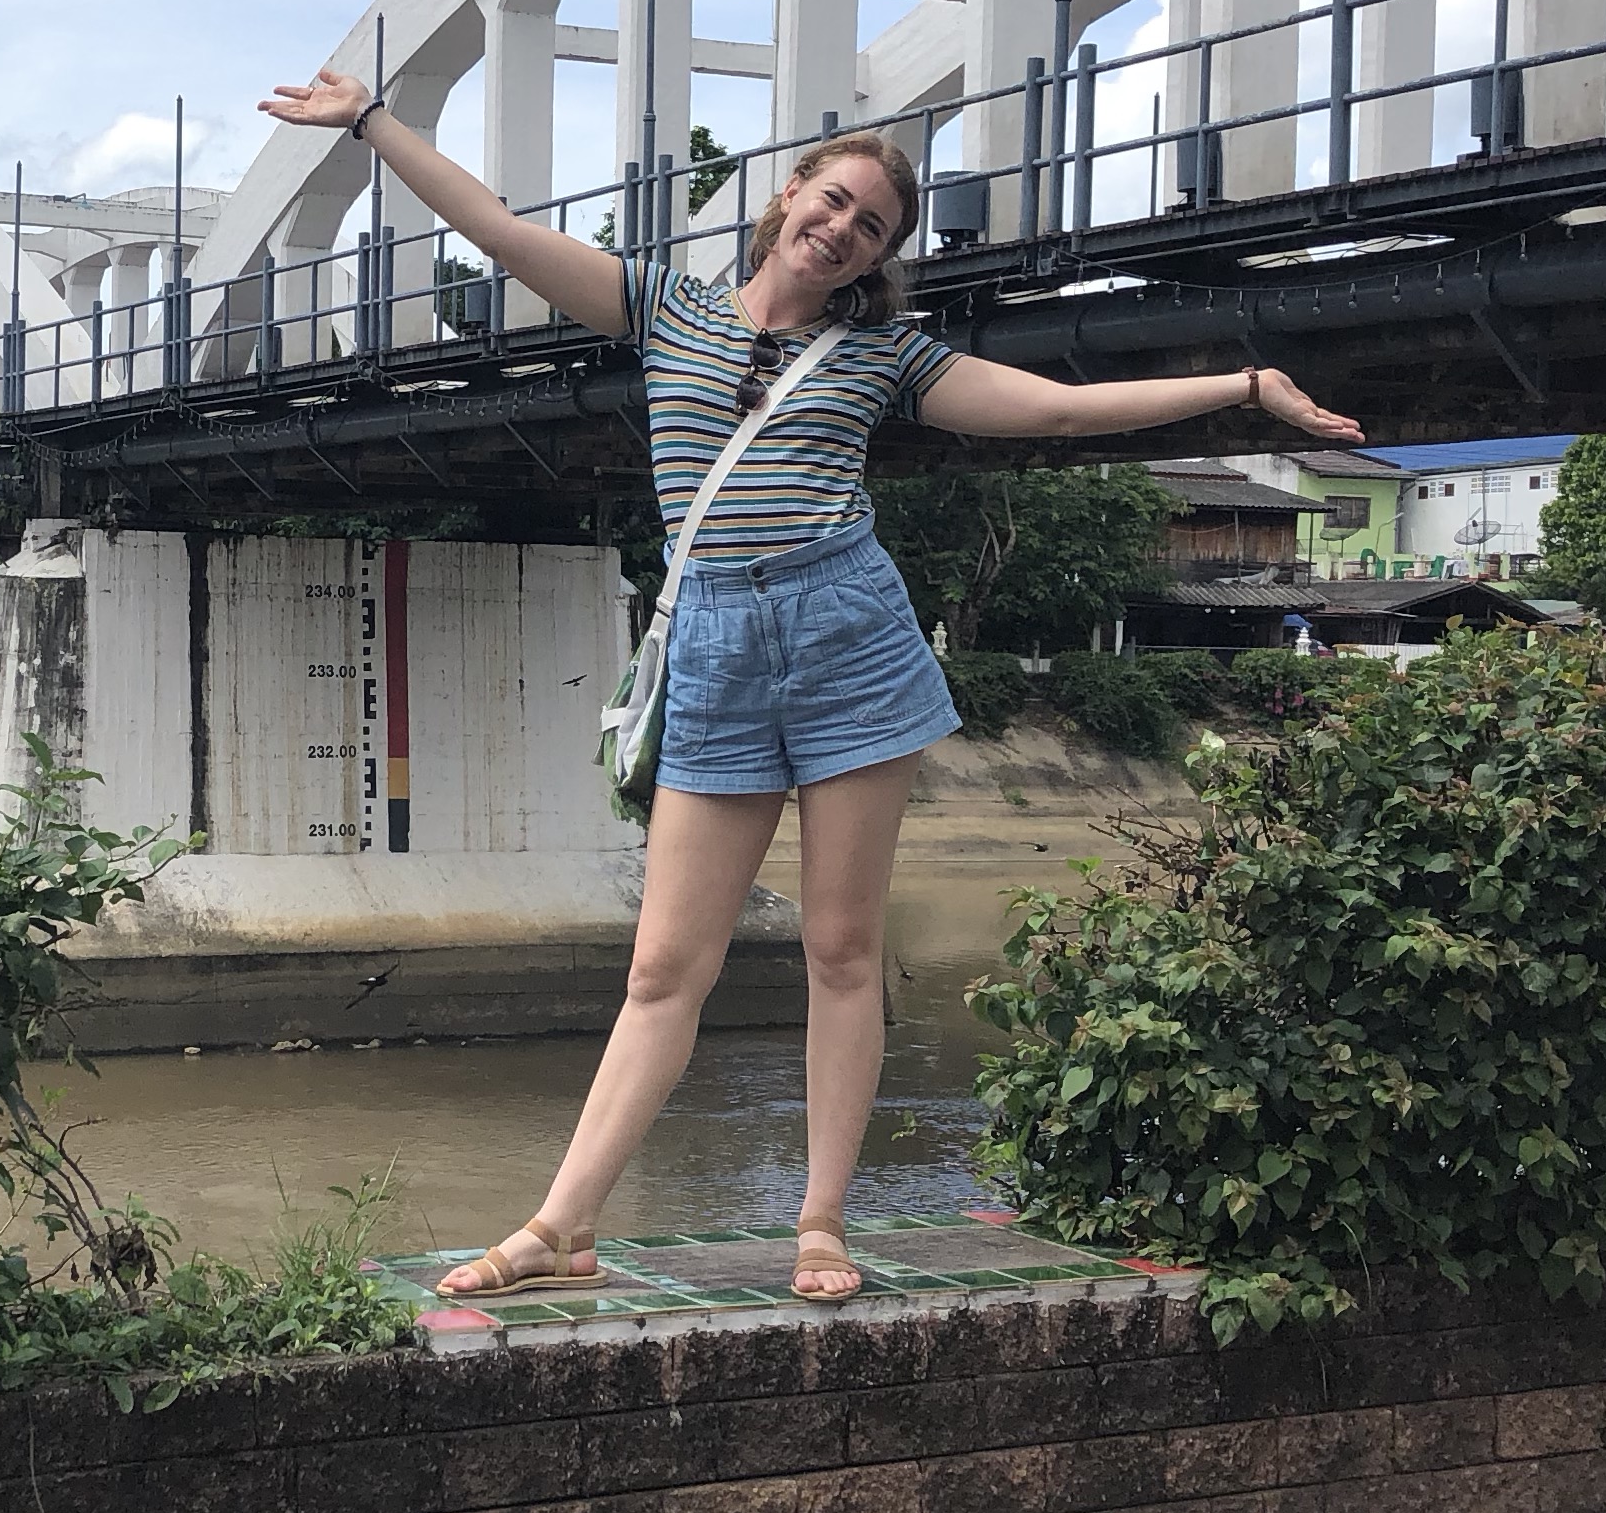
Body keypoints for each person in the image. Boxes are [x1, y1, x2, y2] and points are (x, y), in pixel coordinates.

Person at [257, 68, 1363, 1301]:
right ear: (789, 195)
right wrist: (372, 122)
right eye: (832, 202)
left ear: (878, 257)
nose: (842, 230)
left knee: (842, 950)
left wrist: (1245, 388)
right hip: (717, 648)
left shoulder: (885, 355)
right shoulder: (665, 307)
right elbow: (500, 233)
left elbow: (1055, 412)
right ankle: (561, 1227)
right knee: (663, 969)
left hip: (850, 640)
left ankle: (821, 1223)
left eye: (871, 227)